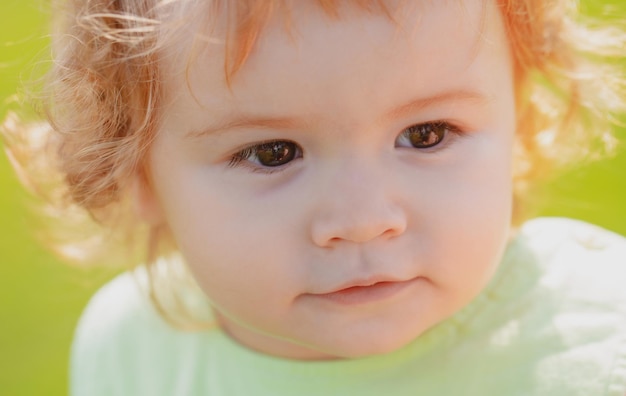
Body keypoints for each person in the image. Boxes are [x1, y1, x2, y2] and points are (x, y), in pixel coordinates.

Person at [2, 0, 626, 394]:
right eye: (273, 152)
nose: (363, 221)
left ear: (523, 119)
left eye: (426, 134)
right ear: (134, 175)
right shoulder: (134, 352)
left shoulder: (600, 340)